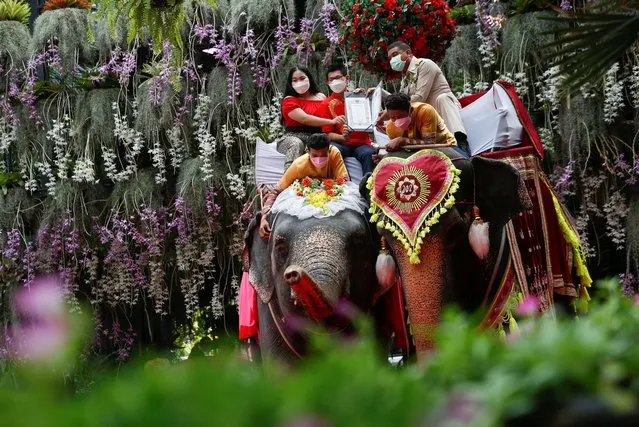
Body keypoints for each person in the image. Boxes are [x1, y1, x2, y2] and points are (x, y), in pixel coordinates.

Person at [377, 41, 469, 154]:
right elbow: (400, 101)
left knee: (442, 98)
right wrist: (379, 92)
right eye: (390, 58)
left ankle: (461, 142)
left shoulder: (425, 64)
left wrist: (388, 112)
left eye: (395, 54)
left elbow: (420, 97)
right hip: (426, 119)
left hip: (444, 110)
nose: (392, 60)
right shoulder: (405, 78)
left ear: (408, 52)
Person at [259, 133, 349, 238]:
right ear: (308, 151)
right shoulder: (299, 165)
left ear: (329, 151)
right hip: (304, 195)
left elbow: (344, 181)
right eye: (314, 156)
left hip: (332, 193)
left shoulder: (335, 154)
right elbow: (277, 190)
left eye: (324, 155)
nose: (319, 160)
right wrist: (264, 217)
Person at [278, 67, 346, 169]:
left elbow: (337, 103)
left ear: (309, 78)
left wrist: (356, 94)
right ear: (290, 83)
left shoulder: (321, 97)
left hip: (317, 136)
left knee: (322, 146)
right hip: (293, 136)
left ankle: (327, 181)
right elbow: (304, 119)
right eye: (294, 80)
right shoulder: (289, 100)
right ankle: (290, 178)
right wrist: (331, 121)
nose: (299, 82)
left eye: (302, 78)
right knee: (297, 144)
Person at [320, 63, 376, 175]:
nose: (335, 82)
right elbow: (327, 134)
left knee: (369, 153)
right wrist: (342, 137)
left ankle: (368, 188)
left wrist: (368, 98)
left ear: (347, 78)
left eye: (338, 78)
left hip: (362, 144)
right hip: (340, 144)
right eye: (331, 79)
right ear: (327, 82)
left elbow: (373, 119)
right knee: (332, 150)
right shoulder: (325, 104)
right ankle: (341, 186)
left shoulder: (359, 97)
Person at [382, 93, 458, 153]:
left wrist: (404, 140)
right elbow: (400, 150)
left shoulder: (425, 111)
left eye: (400, 116)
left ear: (410, 110)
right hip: (414, 153)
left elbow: (429, 144)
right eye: (392, 118)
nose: (397, 121)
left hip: (444, 146)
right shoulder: (390, 128)